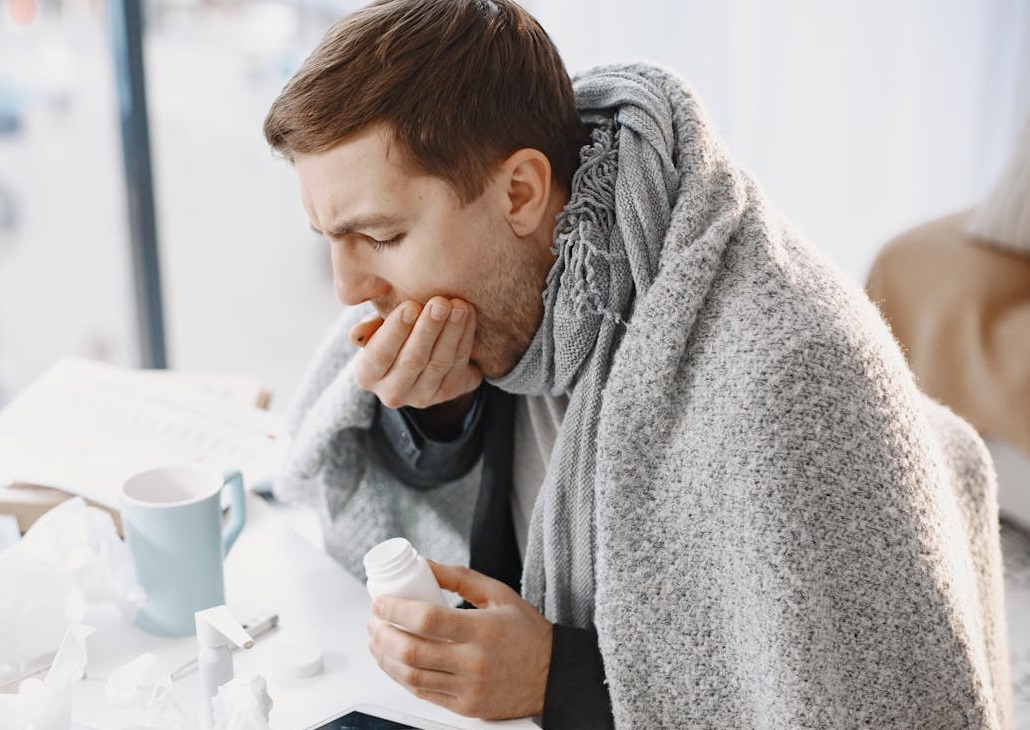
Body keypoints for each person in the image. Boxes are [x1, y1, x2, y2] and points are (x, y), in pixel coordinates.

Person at [265, 1, 1011, 727]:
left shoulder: (783, 377)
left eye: (383, 236)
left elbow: (854, 704)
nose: (348, 289)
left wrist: (557, 677)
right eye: (328, 238)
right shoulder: (513, 292)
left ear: (520, 191)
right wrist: (444, 405)